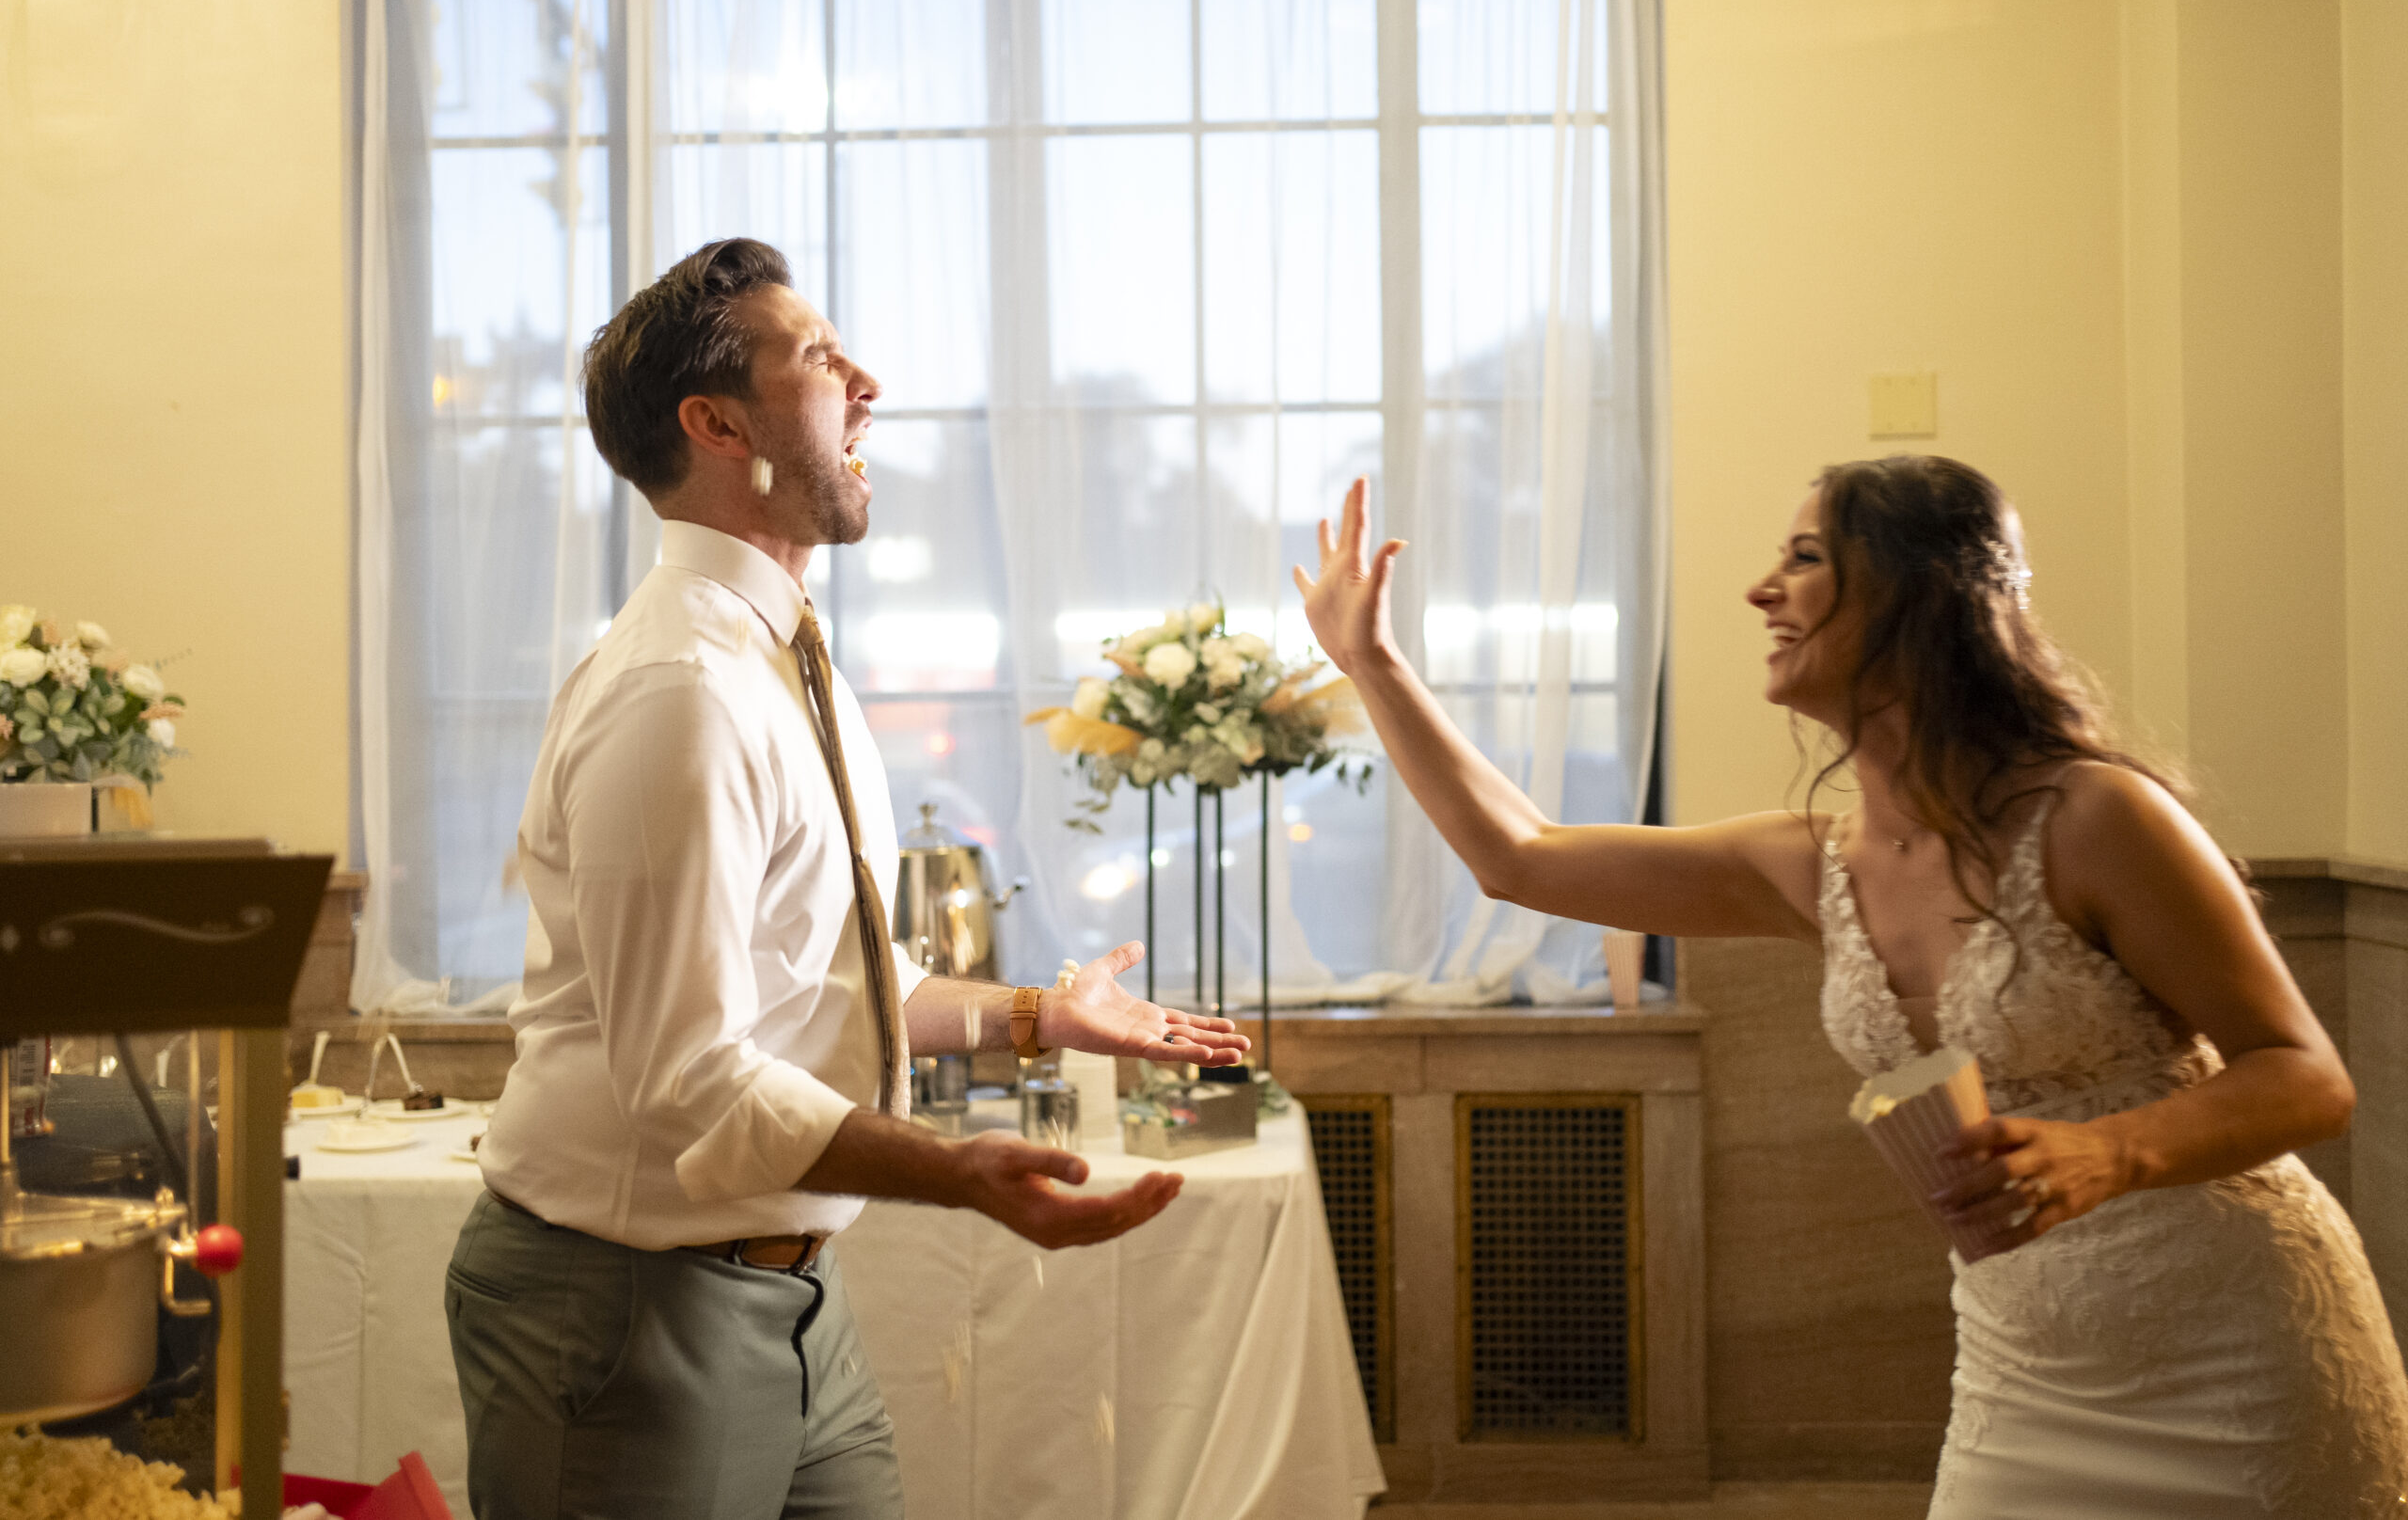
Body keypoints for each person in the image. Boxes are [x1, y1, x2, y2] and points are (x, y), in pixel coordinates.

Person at [1293, 457, 2408, 1516]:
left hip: (2234, 1355)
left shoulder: (2094, 819)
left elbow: (2306, 1079)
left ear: (1918, 594)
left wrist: (2109, 1152)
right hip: (2025, 1370)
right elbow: (1519, 858)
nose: (1758, 589)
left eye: (1806, 557)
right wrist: (1372, 666)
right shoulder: (1806, 864)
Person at [447, 237, 1250, 1520]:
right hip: (625, 1308)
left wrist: (1041, 1015)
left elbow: (824, 967)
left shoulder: (784, 650)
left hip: (789, 1294)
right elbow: (691, 1083)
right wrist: (954, 1169)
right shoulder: (684, 692)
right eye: (819, 357)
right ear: (717, 422)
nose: (866, 380)